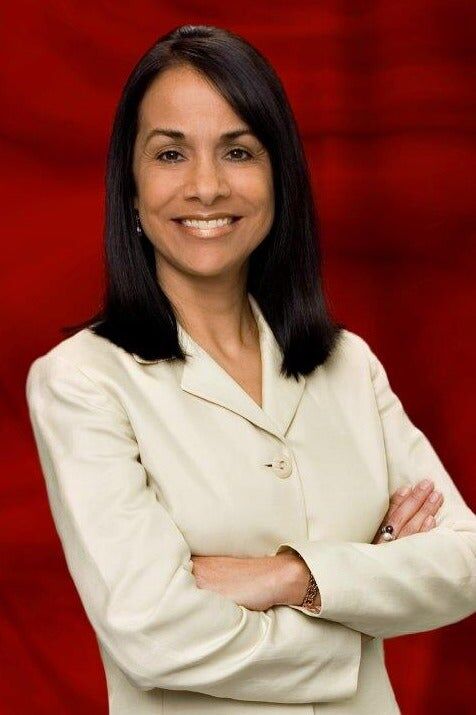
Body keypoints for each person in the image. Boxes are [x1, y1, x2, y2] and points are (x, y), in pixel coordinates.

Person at [25, 24, 476, 715]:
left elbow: (465, 561)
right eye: (171, 153)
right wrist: (367, 596)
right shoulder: (82, 381)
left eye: (238, 151)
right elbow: (154, 633)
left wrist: (294, 577)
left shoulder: (348, 365)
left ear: (277, 177)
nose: (206, 187)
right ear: (132, 189)